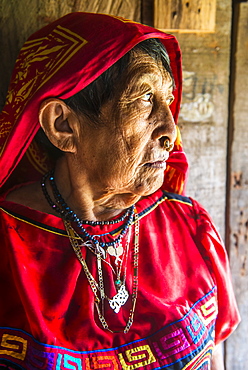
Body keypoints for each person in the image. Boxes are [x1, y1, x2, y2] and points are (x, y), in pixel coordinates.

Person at [0, 12, 240, 370]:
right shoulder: (8, 243)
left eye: (168, 100)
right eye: (144, 99)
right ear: (63, 125)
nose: (170, 131)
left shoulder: (189, 228)